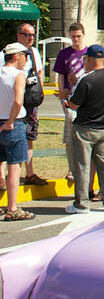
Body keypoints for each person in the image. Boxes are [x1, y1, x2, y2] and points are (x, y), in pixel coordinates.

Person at [65, 45, 104, 214]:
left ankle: (82, 203)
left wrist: (67, 96)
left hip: (85, 128)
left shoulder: (86, 79)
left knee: (81, 166)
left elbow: (74, 104)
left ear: (88, 59)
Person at [0, 21, 46, 186]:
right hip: (12, 103)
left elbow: (39, 72)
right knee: (7, 139)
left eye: (33, 34)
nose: (31, 38)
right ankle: (2, 177)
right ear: (18, 35)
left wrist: (40, 91)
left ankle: (30, 173)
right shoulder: (6, 53)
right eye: (27, 34)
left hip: (29, 102)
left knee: (29, 136)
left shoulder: (34, 52)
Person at [0, 43, 37, 221]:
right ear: (16, 56)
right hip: (13, 123)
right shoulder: (18, 75)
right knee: (15, 166)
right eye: (25, 56)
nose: (26, 60)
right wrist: (10, 121)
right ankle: (12, 207)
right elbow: (18, 101)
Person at [53, 22, 91, 190]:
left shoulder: (90, 53)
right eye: (73, 36)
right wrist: (62, 98)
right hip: (70, 101)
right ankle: (71, 169)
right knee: (70, 138)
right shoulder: (64, 54)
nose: (75, 39)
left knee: (86, 139)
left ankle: (84, 170)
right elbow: (60, 77)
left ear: (83, 35)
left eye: (78, 36)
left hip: (87, 103)